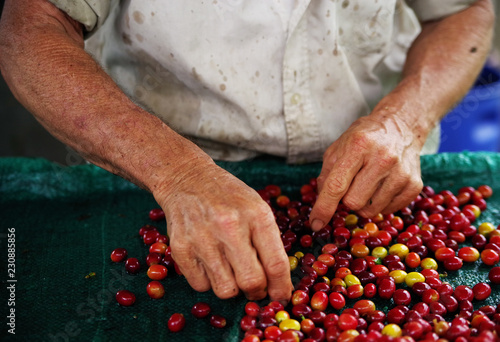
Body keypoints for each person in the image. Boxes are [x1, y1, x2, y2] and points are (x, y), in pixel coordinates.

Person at [0, 0, 494, 304]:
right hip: (155, 160)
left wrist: (403, 122)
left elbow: (462, 10)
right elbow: (28, 27)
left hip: (367, 165)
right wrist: (176, 173)